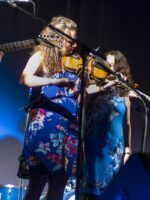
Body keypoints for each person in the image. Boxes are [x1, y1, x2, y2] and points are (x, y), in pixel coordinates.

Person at [17, 16, 79, 200]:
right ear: (57, 38)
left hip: (69, 129)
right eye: (70, 40)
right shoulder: (42, 56)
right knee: (36, 187)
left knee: (59, 188)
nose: (74, 45)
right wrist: (55, 80)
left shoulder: (74, 64)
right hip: (46, 128)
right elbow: (25, 78)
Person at [82, 51, 133, 198]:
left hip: (114, 148)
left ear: (118, 69)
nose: (106, 67)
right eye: (105, 64)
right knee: (90, 190)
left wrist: (128, 149)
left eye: (110, 65)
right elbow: (86, 92)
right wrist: (106, 84)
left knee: (108, 191)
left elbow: (128, 124)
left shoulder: (124, 93)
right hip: (94, 143)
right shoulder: (96, 87)